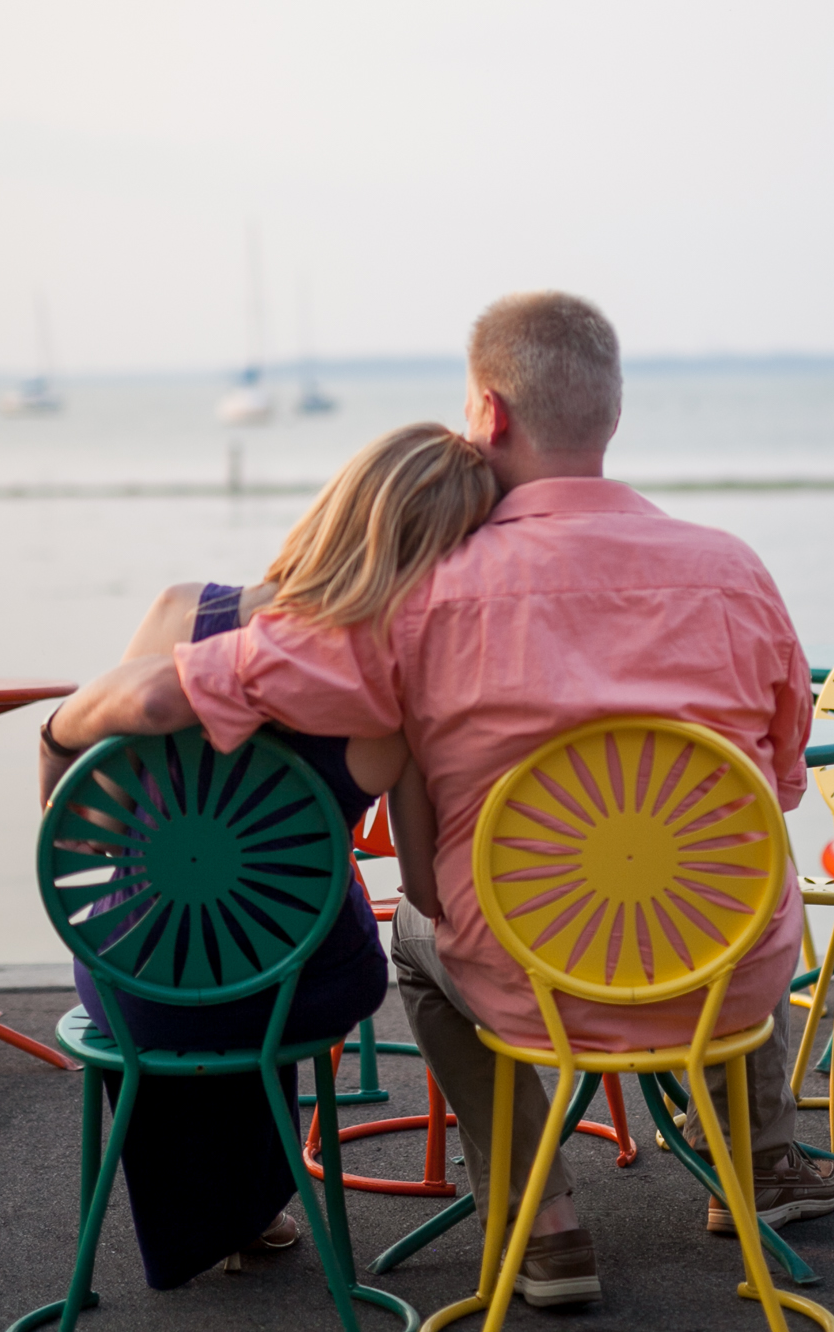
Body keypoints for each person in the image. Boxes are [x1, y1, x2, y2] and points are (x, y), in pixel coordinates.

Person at [53, 292, 834, 1310]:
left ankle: (543, 1222)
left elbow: (179, 687)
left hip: (532, 981)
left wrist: (59, 728)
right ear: (610, 416)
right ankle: (762, 1166)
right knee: (726, 880)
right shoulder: (735, 572)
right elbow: (776, 786)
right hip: (720, 980)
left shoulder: (420, 596)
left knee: (419, 946)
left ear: (487, 413)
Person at [37, 422, 494, 1290]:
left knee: (195, 919)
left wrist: (53, 741)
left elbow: (102, 823)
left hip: (132, 976)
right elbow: (428, 890)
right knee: (304, 918)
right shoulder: (398, 700)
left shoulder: (182, 613)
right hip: (291, 987)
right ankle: (250, 1199)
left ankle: (221, 1216)